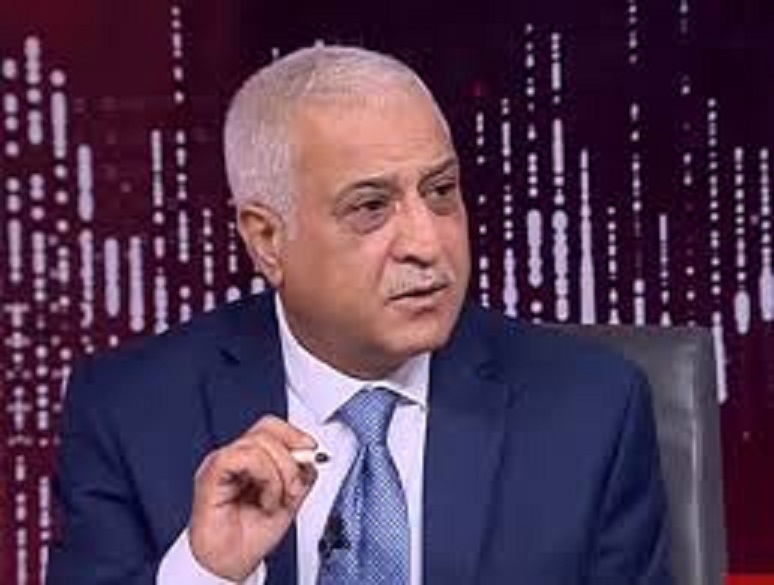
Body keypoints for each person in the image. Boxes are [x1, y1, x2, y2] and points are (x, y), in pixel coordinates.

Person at [46, 45, 673, 585]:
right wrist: (208, 574)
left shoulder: (590, 410)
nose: (427, 243)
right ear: (268, 240)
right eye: (371, 207)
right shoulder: (130, 412)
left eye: (441, 192)